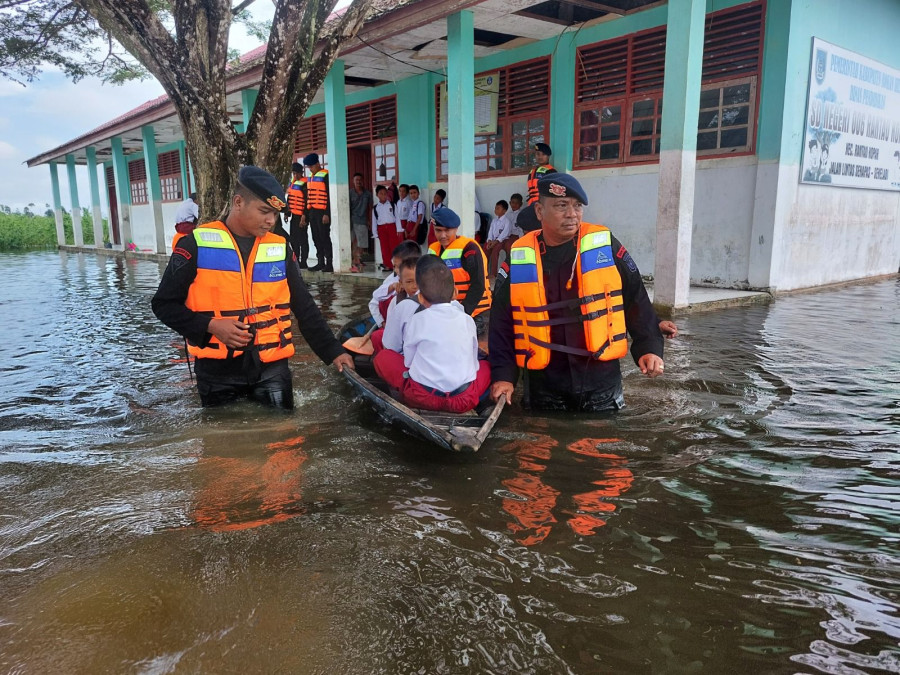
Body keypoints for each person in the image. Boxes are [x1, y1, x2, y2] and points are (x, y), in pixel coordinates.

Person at [151, 166, 353, 409]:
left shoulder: (279, 248)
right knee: (221, 444)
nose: (271, 220)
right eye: (264, 211)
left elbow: (304, 306)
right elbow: (163, 304)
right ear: (238, 202)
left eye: (275, 214)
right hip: (216, 374)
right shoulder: (195, 244)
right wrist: (211, 326)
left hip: (272, 369)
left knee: (283, 440)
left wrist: (334, 352)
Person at [489, 173, 664, 412]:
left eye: (577, 206)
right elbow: (501, 321)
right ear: (539, 211)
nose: (572, 214)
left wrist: (649, 347)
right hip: (544, 382)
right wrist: (503, 375)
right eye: (562, 206)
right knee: (541, 444)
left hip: (599, 378)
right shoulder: (520, 258)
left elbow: (635, 298)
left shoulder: (604, 245)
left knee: (603, 445)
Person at [373, 256, 491, 413]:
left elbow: (409, 362)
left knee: (382, 357)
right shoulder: (467, 319)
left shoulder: (416, 319)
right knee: (487, 365)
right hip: (463, 400)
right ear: (455, 293)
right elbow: (473, 360)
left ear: (421, 297)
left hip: (422, 397)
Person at [427, 207, 492, 335]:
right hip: (449, 313)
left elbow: (478, 285)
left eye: (447, 230)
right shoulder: (433, 250)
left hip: (475, 313)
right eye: (438, 230)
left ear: (456, 229)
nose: (442, 235)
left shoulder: (470, 248)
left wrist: (463, 314)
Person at [368, 240, 422, 328]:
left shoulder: (424, 280)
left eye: (399, 267)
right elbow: (374, 299)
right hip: (392, 324)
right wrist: (382, 323)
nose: (396, 270)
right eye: (394, 266)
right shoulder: (392, 279)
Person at [376, 254, 422, 354]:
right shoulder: (396, 301)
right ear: (401, 283)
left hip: (414, 354)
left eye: (418, 281)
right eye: (409, 282)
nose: (415, 286)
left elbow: (389, 346)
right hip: (404, 349)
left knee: (383, 356)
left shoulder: (430, 300)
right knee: (377, 337)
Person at [303, 153, 332, 272]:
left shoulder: (326, 175)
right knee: (316, 237)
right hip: (312, 212)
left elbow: (329, 196)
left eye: (312, 166)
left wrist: (327, 213)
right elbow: (307, 197)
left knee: (324, 237)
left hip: (322, 212)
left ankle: (329, 263)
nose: (310, 169)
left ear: (318, 164)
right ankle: (320, 262)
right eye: (309, 167)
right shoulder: (310, 177)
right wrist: (306, 214)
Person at [373, 185, 403, 272]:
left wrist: (399, 229)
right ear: (377, 195)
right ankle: (387, 265)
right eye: (381, 194)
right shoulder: (375, 208)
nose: (383, 195)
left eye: (385, 194)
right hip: (381, 229)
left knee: (394, 246)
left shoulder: (392, 205)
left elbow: (397, 217)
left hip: (392, 227)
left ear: (387, 194)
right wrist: (375, 233)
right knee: (384, 247)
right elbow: (374, 221)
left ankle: (396, 264)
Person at [284, 163, 309, 268]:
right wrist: (287, 213)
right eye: (293, 173)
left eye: (296, 173)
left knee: (302, 239)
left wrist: (304, 215)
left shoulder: (305, 184)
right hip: (294, 216)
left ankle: (303, 261)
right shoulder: (293, 184)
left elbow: (307, 200)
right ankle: (296, 260)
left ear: (301, 173)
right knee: (294, 239)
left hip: (302, 217)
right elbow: (289, 200)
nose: (295, 176)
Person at [348, 172, 372, 272]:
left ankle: (358, 259)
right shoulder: (350, 193)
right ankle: (354, 260)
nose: (358, 182)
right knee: (352, 241)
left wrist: (370, 220)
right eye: (356, 180)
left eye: (360, 180)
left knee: (361, 242)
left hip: (362, 220)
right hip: (352, 220)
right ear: (353, 182)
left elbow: (370, 207)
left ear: (362, 181)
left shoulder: (367, 194)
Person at [484, 199, 512, 279]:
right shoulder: (494, 220)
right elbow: (490, 231)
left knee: (495, 252)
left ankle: (494, 273)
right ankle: (484, 271)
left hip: (502, 240)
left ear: (504, 210)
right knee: (485, 250)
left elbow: (504, 234)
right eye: (495, 208)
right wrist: (489, 240)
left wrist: (495, 242)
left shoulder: (507, 221)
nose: (495, 210)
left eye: (498, 208)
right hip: (493, 240)